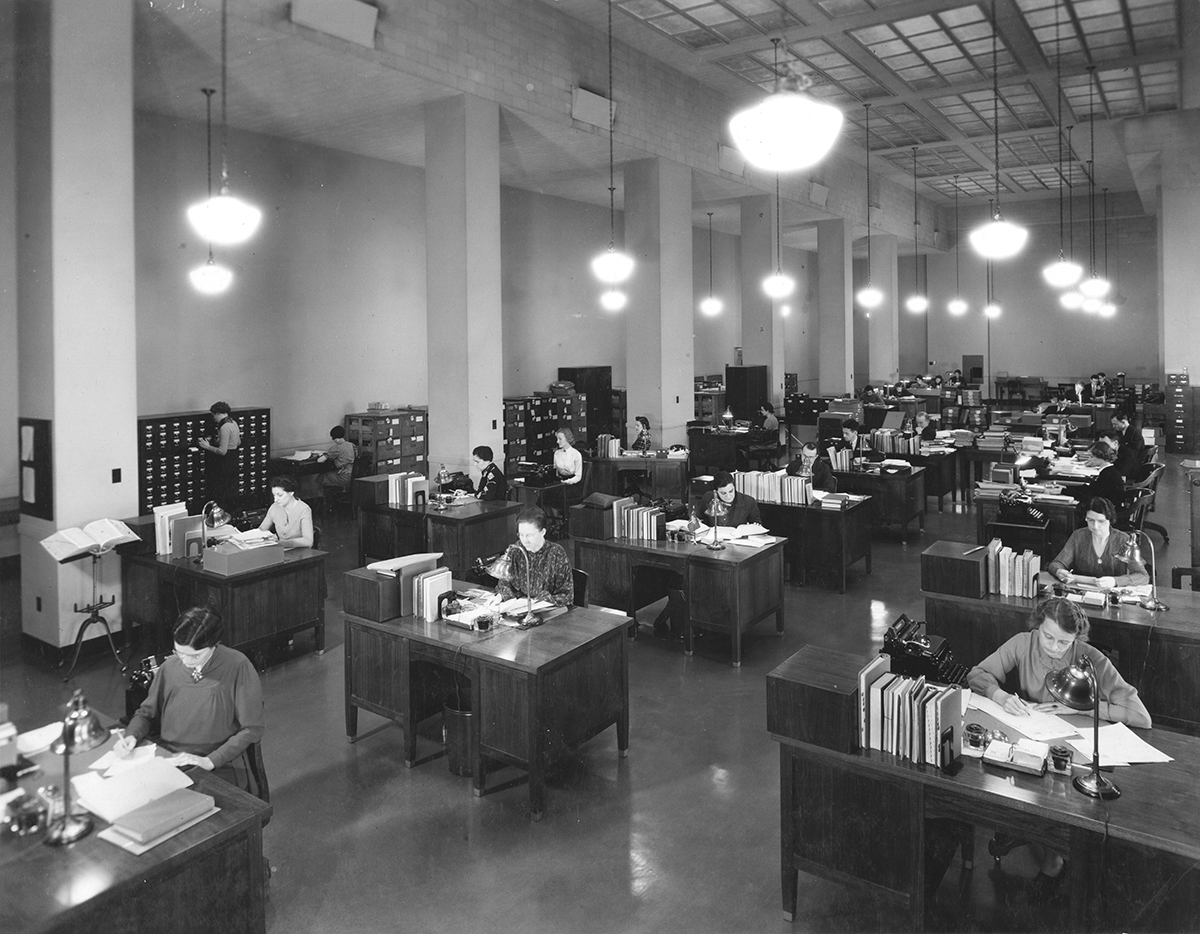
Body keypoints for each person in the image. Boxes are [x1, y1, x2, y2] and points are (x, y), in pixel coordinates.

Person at [967, 597, 1150, 890]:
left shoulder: (1090, 659)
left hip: (1072, 744)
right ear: (1037, 626)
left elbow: (1140, 716)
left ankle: (1052, 860)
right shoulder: (1023, 642)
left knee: (1057, 795)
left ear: (1077, 638)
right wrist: (999, 696)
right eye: (1048, 637)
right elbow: (977, 674)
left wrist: (1083, 709)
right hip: (1030, 734)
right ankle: (1030, 834)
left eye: (1064, 642)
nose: (1053, 647)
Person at [116, 606, 265, 790]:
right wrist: (132, 735)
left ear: (214, 644)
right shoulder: (170, 667)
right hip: (171, 757)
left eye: (195, 655)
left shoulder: (237, 666)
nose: (186, 661)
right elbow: (146, 713)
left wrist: (209, 761)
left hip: (218, 764)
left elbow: (252, 728)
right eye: (179, 652)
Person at [1047, 496, 1148, 589]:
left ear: (1110, 520)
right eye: (1090, 520)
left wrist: (1115, 581)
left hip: (1111, 594)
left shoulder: (1123, 539)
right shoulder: (1078, 536)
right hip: (1080, 591)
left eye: (1101, 521)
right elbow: (1056, 564)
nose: (1095, 526)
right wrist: (1059, 571)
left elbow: (1142, 576)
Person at [495, 508, 572, 607]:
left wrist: (538, 602)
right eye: (521, 535)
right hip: (518, 609)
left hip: (547, 610)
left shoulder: (556, 553)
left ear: (543, 532)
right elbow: (504, 583)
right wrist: (502, 596)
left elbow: (566, 595)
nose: (524, 540)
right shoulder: (517, 549)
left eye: (529, 535)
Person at [198, 401, 241, 510]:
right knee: (230, 489)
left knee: (221, 490)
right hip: (234, 458)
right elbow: (238, 442)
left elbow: (222, 451)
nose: (214, 418)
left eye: (214, 415)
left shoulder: (224, 427)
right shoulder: (233, 423)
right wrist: (219, 441)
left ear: (218, 413)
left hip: (225, 461)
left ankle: (221, 512)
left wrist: (207, 446)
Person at [258, 475, 314, 548]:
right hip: (280, 549)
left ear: (291, 493)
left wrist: (282, 543)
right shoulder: (274, 507)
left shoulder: (304, 509)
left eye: (280, 495)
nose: (275, 500)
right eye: (274, 495)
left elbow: (308, 541)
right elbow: (261, 530)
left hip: (298, 550)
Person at [1076, 439, 1128, 505]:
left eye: (1091, 456)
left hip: (1108, 508)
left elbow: (1092, 495)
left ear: (1100, 456)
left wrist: (1067, 491)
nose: (1089, 459)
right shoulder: (1109, 470)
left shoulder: (1107, 474)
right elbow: (1092, 489)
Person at [318, 425, 356, 493]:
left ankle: (324, 498)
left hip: (344, 476)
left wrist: (320, 455)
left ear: (334, 438)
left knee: (322, 477)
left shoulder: (336, 448)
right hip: (353, 474)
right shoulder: (351, 445)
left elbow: (320, 460)